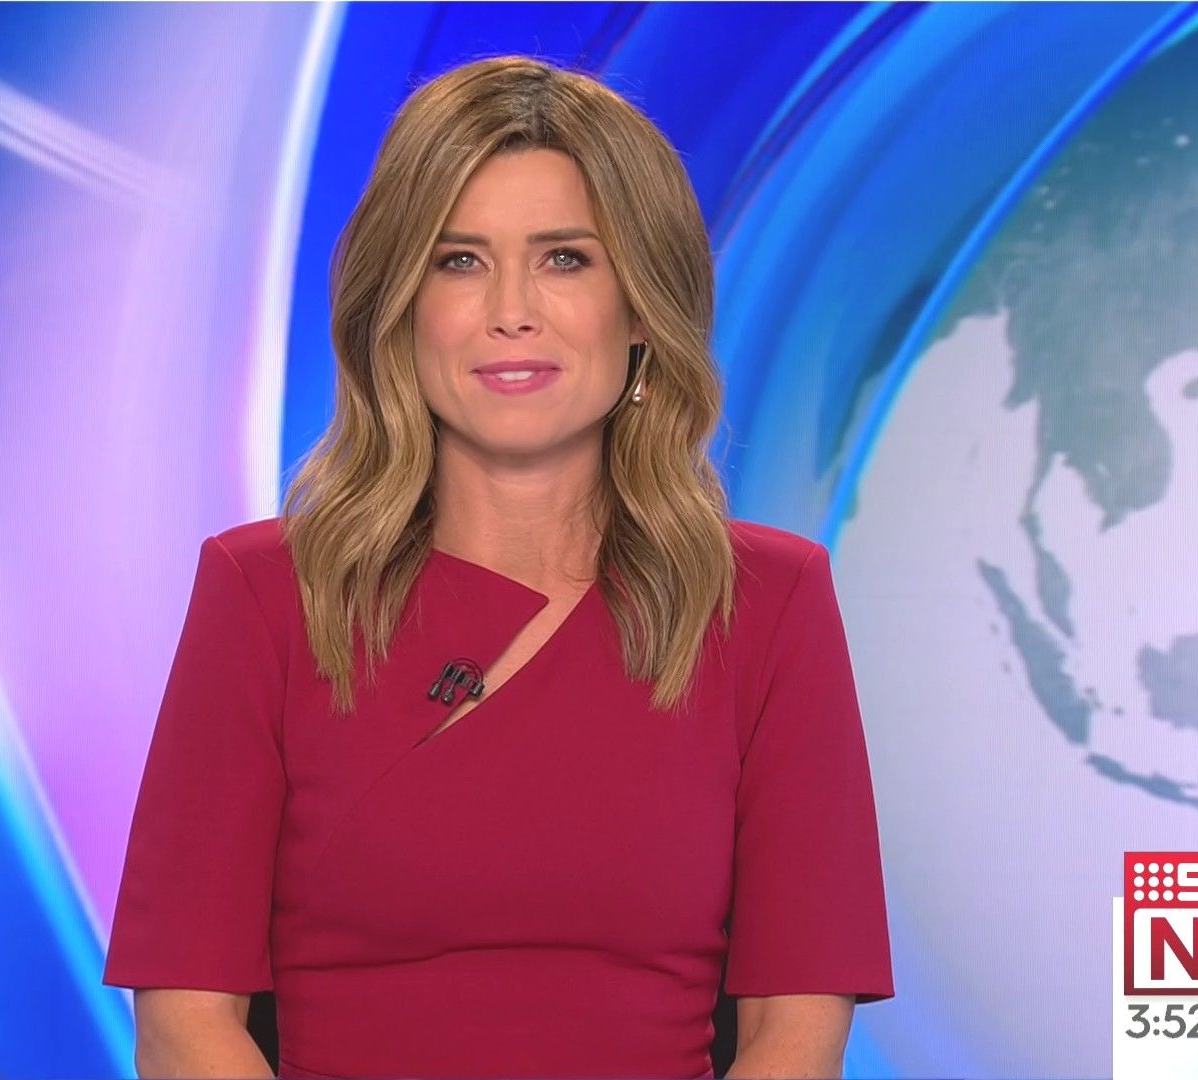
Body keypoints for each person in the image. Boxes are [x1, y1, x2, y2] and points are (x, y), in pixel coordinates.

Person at [103, 54, 893, 1079]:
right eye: (459, 261)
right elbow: (184, 1026)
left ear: (641, 307)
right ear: (401, 307)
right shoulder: (265, 595)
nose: (511, 310)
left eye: (565, 259)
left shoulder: (769, 605)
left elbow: (797, 1034)